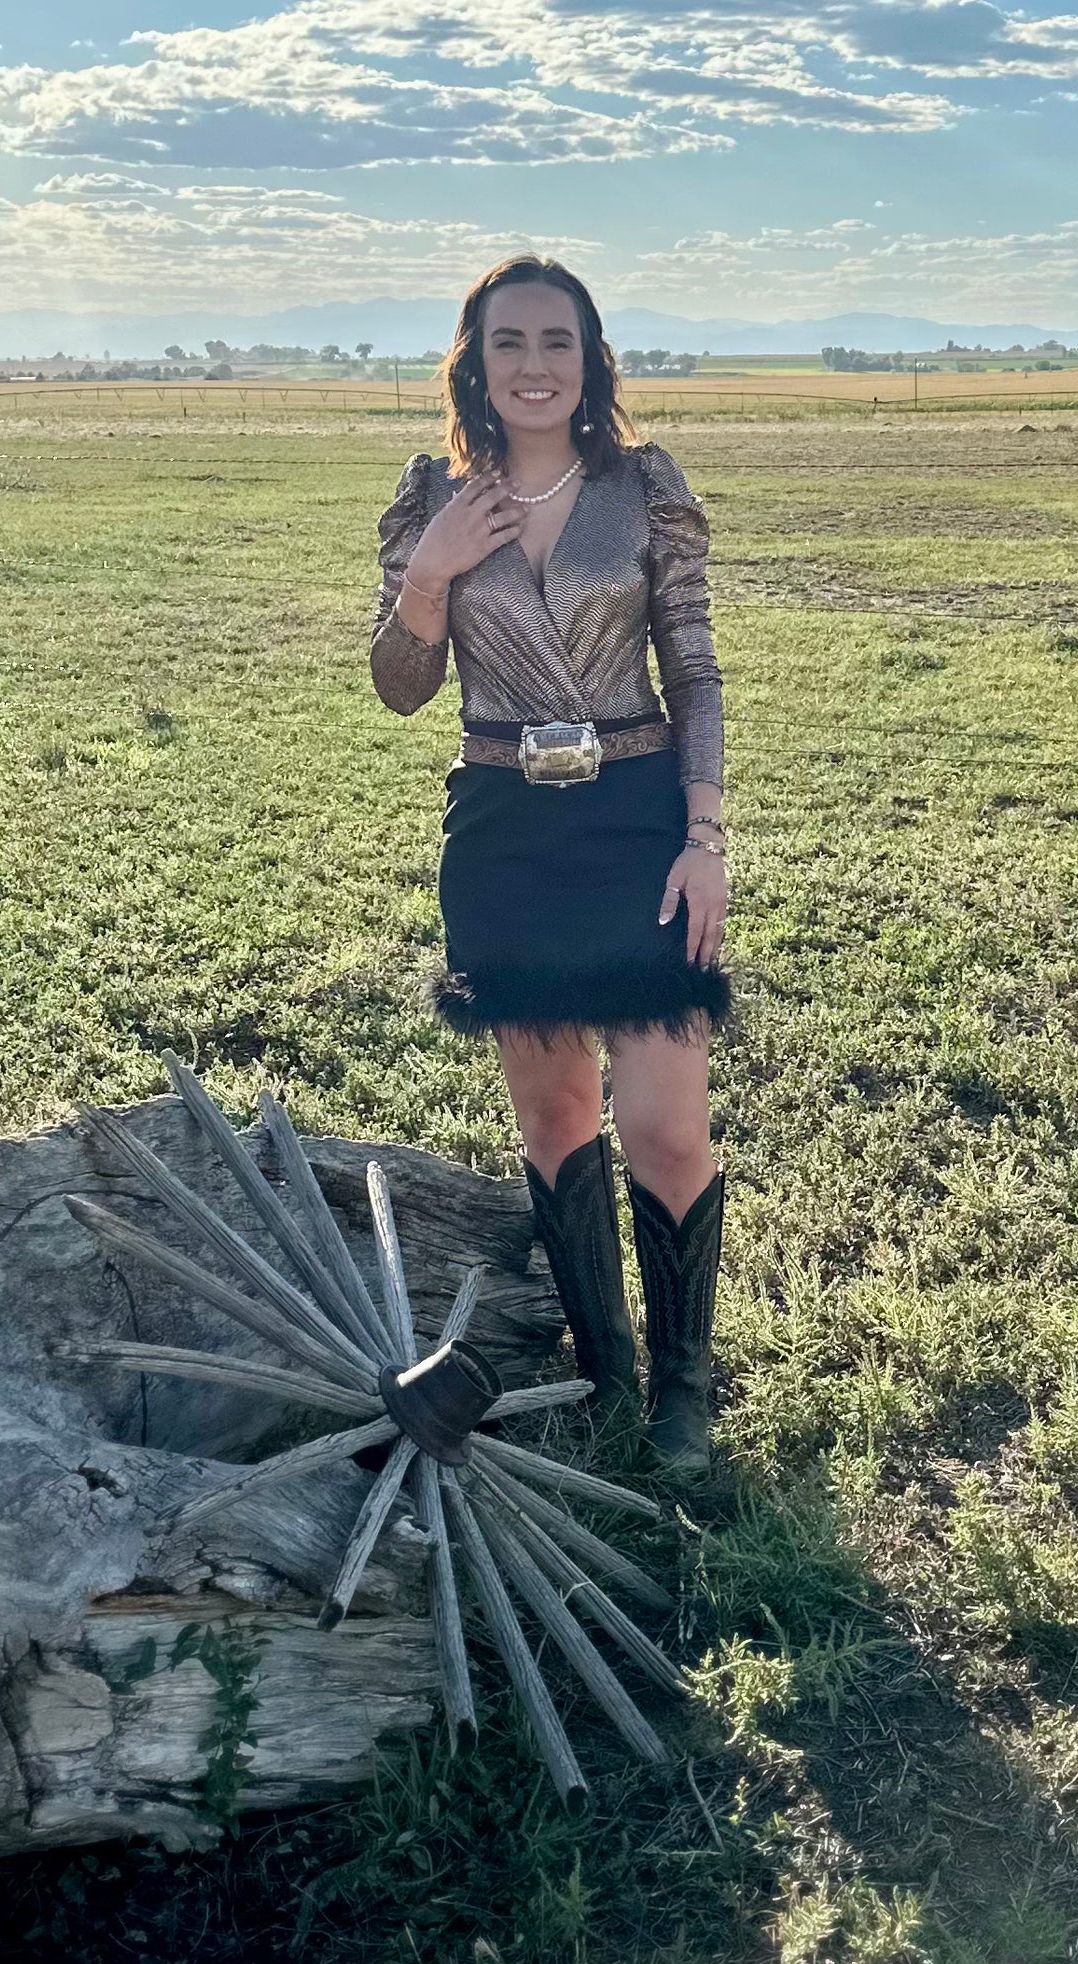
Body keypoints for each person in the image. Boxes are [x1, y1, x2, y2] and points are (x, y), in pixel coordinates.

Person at [368, 252, 730, 1477]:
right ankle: (605, 1367)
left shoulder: (640, 488)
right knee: (554, 1109)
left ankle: (681, 1390)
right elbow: (401, 689)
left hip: (633, 814)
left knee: (664, 1124)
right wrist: (430, 574)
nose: (533, 365)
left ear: (589, 363)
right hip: (502, 827)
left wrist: (703, 836)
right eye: (508, 343)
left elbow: (691, 670)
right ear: (473, 363)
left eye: (556, 342)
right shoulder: (430, 497)